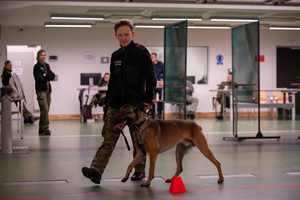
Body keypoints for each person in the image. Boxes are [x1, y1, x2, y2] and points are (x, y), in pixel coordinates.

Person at [81, 19, 156, 184]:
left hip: (135, 106)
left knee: (139, 139)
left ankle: (139, 171)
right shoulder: (115, 55)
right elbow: (112, 83)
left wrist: (147, 101)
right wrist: (107, 103)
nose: (124, 38)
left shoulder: (141, 52)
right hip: (116, 105)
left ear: (133, 34)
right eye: (120, 35)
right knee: (109, 138)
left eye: (127, 35)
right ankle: (96, 171)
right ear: (116, 36)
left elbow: (151, 78)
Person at [33, 50, 56, 135]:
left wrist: (46, 75)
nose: (43, 57)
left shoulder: (47, 66)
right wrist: (47, 76)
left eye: (45, 55)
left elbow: (52, 76)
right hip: (41, 90)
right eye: (42, 55)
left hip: (48, 90)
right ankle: (46, 128)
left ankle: (41, 128)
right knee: (44, 109)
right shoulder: (36, 67)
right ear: (38, 57)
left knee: (46, 110)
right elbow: (39, 78)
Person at [151, 53, 163, 119]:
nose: (151, 58)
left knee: (160, 99)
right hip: (152, 85)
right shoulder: (149, 65)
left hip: (159, 84)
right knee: (152, 99)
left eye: (152, 57)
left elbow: (164, 74)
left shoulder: (161, 65)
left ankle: (160, 113)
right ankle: (152, 114)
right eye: (151, 57)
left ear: (156, 58)